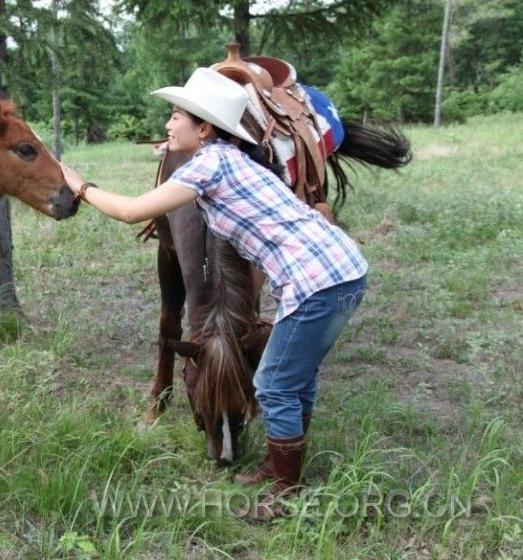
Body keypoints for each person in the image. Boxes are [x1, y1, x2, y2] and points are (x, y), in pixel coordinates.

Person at [60, 67, 368, 521]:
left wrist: (79, 185)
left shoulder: (207, 165)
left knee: (274, 383)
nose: (168, 125)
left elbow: (129, 212)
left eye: (177, 116)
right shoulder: (236, 159)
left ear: (204, 128)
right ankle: (279, 468)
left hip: (318, 282)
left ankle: (285, 487)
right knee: (298, 376)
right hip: (344, 271)